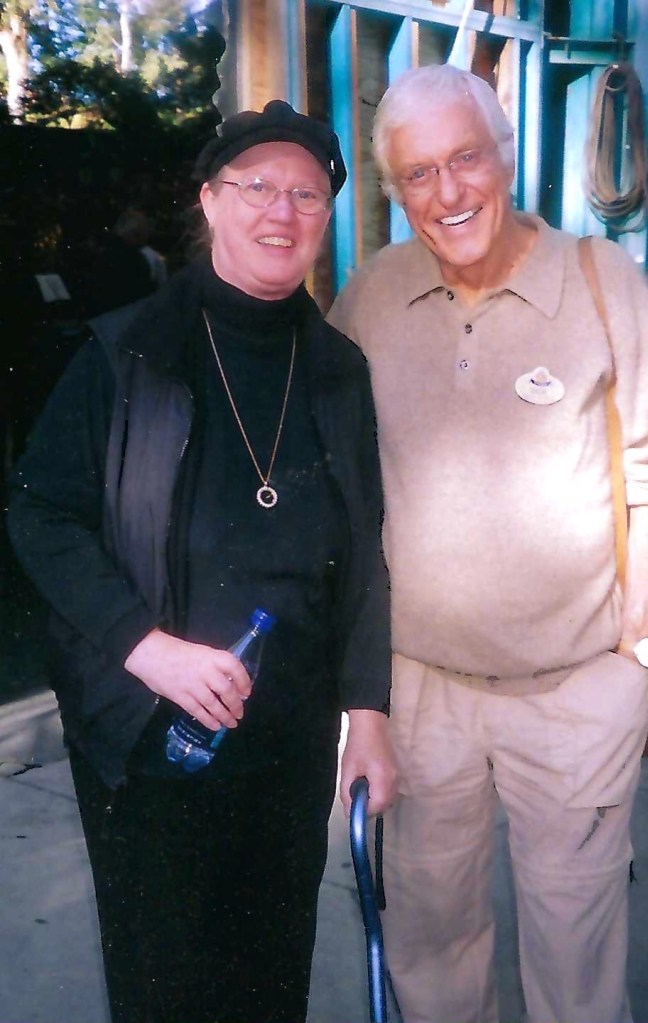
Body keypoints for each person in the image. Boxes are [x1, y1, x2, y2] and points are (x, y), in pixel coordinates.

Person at [7, 99, 397, 1023]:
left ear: (325, 217)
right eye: (256, 186)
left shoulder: (339, 368)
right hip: (151, 737)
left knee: (271, 981)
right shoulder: (126, 351)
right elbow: (39, 514)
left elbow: (364, 556)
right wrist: (148, 649)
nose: (281, 210)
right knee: (165, 989)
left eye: (306, 194)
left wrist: (369, 714)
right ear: (210, 201)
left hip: (289, 740)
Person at [328, 64, 648, 1023]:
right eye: (418, 174)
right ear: (395, 191)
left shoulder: (598, 280)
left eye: (465, 159)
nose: (447, 192)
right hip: (421, 692)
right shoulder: (371, 297)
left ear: (505, 156)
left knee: (576, 951)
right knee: (430, 938)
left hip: (576, 691)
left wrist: (633, 652)